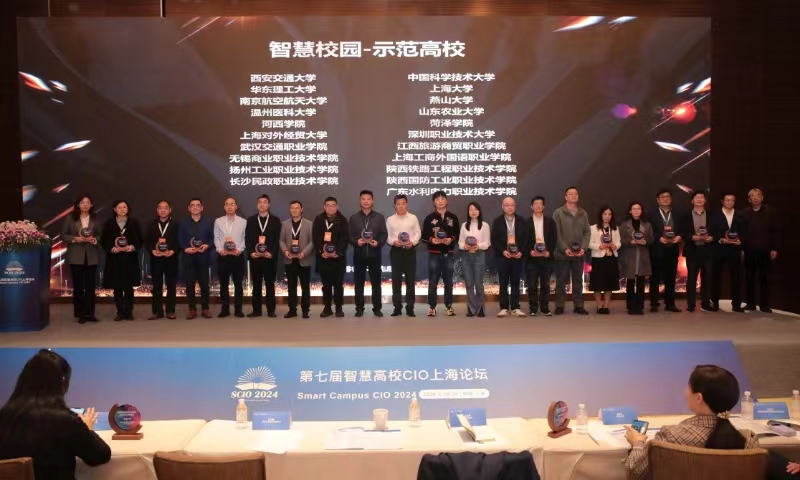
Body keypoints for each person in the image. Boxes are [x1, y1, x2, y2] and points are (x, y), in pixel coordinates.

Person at [624, 365, 759, 480]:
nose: (685, 391)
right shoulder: (749, 440)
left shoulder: (670, 436)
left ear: (699, 398)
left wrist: (637, 443)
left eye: (688, 386)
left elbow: (634, 473)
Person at [0, 349, 111, 480]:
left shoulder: (3, 416)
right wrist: (86, 429)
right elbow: (100, 456)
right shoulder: (66, 421)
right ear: (62, 382)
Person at [60, 195, 101, 324]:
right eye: (82, 202)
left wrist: (95, 240)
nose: (85, 205)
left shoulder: (95, 218)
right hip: (76, 255)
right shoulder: (71, 218)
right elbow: (63, 235)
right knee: (78, 287)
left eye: (88, 202)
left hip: (91, 256)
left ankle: (90, 314)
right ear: (78, 205)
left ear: (91, 205)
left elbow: (100, 235)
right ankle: (80, 314)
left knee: (90, 287)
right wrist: (76, 239)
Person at [100, 200, 142, 321]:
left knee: (129, 288)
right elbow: (103, 240)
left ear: (128, 209)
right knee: (117, 287)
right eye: (119, 207)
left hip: (130, 259)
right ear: (114, 209)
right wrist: (111, 248)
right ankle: (120, 312)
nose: (122, 209)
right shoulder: (109, 223)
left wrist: (132, 247)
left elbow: (139, 240)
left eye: (124, 207)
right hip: (115, 259)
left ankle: (128, 312)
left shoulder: (134, 222)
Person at [349, 190, 387, 317]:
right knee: (359, 282)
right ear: (360, 201)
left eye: (368, 199)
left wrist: (378, 243)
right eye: (363, 199)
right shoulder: (354, 218)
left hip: (374, 254)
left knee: (376, 283)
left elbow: (384, 234)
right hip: (359, 254)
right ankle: (359, 308)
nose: (366, 201)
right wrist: (356, 242)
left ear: (372, 201)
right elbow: (350, 235)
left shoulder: (379, 217)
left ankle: (377, 308)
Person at [553, 187, 591, 315]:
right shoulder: (558, 213)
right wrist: (564, 248)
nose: (573, 196)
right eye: (570, 194)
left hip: (578, 254)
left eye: (576, 194)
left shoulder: (583, 213)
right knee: (561, 281)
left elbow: (587, 233)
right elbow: (556, 233)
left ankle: (579, 305)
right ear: (565, 197)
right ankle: (559, 305)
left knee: (578, 281)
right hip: (562, 254)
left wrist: (583, 248)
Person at [422, 191, 460, 317]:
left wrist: (451, 239)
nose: (440, 201)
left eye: (443, 198)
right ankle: (432, 307)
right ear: (434, 202)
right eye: (437, 199)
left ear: (446, 201)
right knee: (433, 281)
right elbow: (424, 236)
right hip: (434, 253)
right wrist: (432, 240)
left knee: (448, 281)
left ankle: (449, 306)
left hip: (448, 253)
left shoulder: (453, 217)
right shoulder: (429, 218)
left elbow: (458, 234)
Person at [742, 188, 780, 313]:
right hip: (749, 250)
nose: (756, 198)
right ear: (749, 199)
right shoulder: (744, 213)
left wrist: (774, 248)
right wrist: (741, 249)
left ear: (762, 198)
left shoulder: (770, 212)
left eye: (758, 195)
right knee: (749, 277)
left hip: (765, 250)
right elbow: (741, 232)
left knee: (764, 278)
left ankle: (764, 305)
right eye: (753, 196)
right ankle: (750, 304)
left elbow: (775, 231)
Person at [245, 194, 282, 318]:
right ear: (257, 205)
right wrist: (251, 252)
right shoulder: (251, 220)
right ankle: (256, 311)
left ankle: (271, 311)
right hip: (255, 258)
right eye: (259, 202)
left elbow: (278, 240)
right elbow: (247, 239)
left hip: (269, 258)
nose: (262, 204)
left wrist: (271, 252)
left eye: (265, 202)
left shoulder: (275, 221)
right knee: (256, 285)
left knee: (270, 284)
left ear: (269, 204)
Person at [678, 190, 715, 312]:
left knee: (707, 278)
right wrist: (692, 237)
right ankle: (691, 304)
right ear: (692, 201)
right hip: (692, 250)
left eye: (701, 197)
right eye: (697, 197)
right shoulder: (685, 215)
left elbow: (717, 229)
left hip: (708, 250)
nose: (699, 199)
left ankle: (706, 303)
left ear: (705, 200)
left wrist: (712, 237)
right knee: (691, 278)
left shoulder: (712, 215)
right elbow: (682, 232)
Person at [178, 198, 214, 319]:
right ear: (189, 208)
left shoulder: (209, 221)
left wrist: (207, 245)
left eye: (198, 205)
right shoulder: (183, 222)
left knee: (204, 284)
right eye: (192, 205)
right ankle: (192, 309)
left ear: (202, 208)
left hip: (203, 257)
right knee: (190, 284)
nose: (195, 207)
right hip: (188, 257)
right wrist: (185, 248)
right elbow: (180, 238)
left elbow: (213, 238)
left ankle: (205, 309)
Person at [312, 197, 349, 318]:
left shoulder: (342, 220)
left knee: (338, 285)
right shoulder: (318, 219)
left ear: (337, 207)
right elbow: (315, 237)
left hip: (338, 258)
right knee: (326, 285)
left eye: (333, 205)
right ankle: (327, 307)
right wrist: (320, 251)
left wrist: (338, 252)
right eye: (328, 205)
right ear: (324, 207)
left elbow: (344, 238)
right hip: (323, 258)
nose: (331, 207)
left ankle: (339, 308)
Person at [491, 197, 528, 317]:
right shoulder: (498, 221)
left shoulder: (521, 221)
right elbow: (494, 239)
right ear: (503, 207)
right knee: (503, 282)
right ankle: (504, 307)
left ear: (515, 206)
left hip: (517, 256)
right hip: (503, 257)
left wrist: (521, 251)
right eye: (507, 205)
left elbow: (526, 238)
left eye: (512, 205)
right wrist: (503, 251)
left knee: (516, 282)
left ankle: (516, 307)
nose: (509, 207)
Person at [710, 193, 746, 313]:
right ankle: (715, 302)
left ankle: (736, 304)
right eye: (727, 200)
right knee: (716, 277)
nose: (730, 202)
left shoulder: (740, 214)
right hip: (719, 249)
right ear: (722, 201)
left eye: (732, 200)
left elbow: (745, 230)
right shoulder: (715, 214)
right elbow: (711, 230)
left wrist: (741, 241)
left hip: (734, 250)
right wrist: (720, 239)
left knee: (736, 277)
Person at [386, 194, 421, 317]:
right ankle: (397, 307)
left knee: (410, 280)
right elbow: (387, 236)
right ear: (394, 206)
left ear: (407, 204)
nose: (401, 206)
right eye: (398, 204)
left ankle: (410, 307)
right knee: (396, 281)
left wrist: (413, 242)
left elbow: (418, 233)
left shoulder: (413, 218)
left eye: (403, 203)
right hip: (396, 251)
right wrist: (393, 242)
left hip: (410, 251)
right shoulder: (390, 219)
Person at [648, 188, 682, 313]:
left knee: (671, 277)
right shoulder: (651, 214)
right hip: (657, 249)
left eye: (668, 196)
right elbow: (649, 231)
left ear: (671, 199)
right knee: (655, 277)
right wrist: (658, 238)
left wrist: (679, 236)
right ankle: (654, 303)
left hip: (672, 248)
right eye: (662, 197)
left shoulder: (677, 213)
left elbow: (682, 229)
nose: (665, 199)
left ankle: (670, 303)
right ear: (658, 200)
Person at [145, 200, 178, 320]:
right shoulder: (151, 224)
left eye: (165, 208)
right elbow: (147, 241)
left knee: (171, 286)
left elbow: (179, 241)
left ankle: (170, 311)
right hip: (156, 259)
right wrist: (152, 250)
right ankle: (157, 311)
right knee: (156, 286)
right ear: (157, 210)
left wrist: (173, 250)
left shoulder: (176, 224)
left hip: (171, 259)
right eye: (160, 208)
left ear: (170, 210)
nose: (163, 210)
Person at [280, 200, 314, 318]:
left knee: (305, 287)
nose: (294, 210)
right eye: (292, 208)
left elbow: (312, 241)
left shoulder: (309, 224)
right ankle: (292, 310)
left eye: (297, 208)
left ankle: (305, 310)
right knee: (291, 286)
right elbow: (281, 240)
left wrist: (304, 252)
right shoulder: (284, 224)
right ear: (290, 210)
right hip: (289, 259)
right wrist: (285, 251)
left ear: (301, 209)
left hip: (304, 259)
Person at [214, 196, 247, 318]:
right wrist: (219, 250)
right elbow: (216, 237)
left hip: (237, 256)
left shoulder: (243, 222)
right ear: (224, 207)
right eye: (227, 204)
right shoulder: (218, 221)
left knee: (238, 284)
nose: (229, 206)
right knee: (223, 284)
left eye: (232, 204)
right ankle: (225, 309)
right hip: (223, 257)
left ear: (236, 206)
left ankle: (238, 310)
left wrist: (240, 249)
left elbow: (245, 238)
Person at [619, 202, 654, 315]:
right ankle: (630, 306)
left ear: (641, 211)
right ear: (630, 211)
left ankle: (639, 306)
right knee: (630, 282)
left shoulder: (647, 225)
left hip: (643, 255)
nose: (636, 211)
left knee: (641, 282)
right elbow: (620, 240)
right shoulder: (624, 225)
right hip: (629, 255)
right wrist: (630, 241)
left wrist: (646, 241)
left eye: (639, 208)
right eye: (634, 209)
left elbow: (651, 239)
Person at [525, 196, 557, 316]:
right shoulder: (526, 222)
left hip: (546, 257)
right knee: (532, 284)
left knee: (545, 284)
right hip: (532, 258)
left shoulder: (550, 222)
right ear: (531, 206)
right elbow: (524, 239)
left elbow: (554, 238)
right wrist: (529, 251)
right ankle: (533, 308)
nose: (538, 206)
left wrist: (549, 251)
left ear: (543, 206)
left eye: (540, 204)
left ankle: (544, 308)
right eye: (535, 204)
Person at [459, 202, 491, 317]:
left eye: (475, 209)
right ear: (468, 212)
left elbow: (487, 243)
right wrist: (464, 246)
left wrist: (478, 246)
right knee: (469, 284)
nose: (473, 212)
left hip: (479, 255)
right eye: (471, 210)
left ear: (479, 211)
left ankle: (480, 308)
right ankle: (471, 309)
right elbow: (460, 242)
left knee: (478, 284)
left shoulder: (485, 225)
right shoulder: (464, 225)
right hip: (466, 256)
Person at [588, 205, 621, 315]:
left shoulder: (615, 228)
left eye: (609, 214)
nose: (607, 216)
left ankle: (606, 306)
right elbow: (589, 243)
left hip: (611, 258)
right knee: (597, 283)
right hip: (598, 258)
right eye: (605, 214)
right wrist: (599, 246)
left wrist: (615, 246)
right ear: (601, 215)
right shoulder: (593, 228)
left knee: (609, 283)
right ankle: (599, 305)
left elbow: (619, 242)